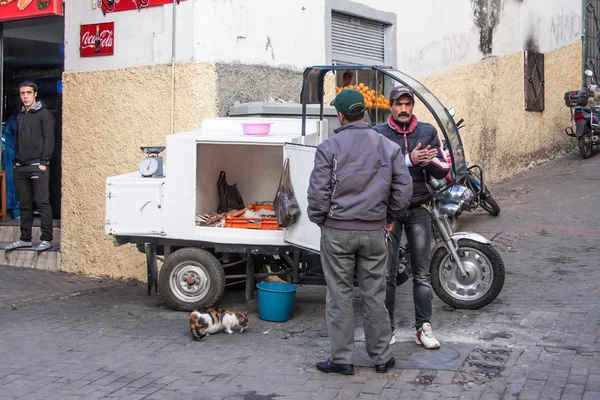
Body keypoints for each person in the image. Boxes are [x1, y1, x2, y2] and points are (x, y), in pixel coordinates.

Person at [307, 89, 413, 375]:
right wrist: (390, 215)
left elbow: (318, 194)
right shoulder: (387, 147)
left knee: (339, 295)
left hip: (337, 231)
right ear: (363, 113)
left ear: (341, 116)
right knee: (374, 294)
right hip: (374, 231)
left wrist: (321, 220)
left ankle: (341, 360)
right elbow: (404, 189)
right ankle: (381, 357)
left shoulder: (329, 148)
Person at [374, 86, 451, 349]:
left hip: (419, 208)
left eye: (408, 104)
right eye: (399, 104)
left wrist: (428, 161)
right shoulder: (379, 134)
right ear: (390, 106)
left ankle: (423, 327)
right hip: (390, 212)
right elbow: (377, 170)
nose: (403, 109)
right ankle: (388, 329)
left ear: (413, 105)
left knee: (421, 272)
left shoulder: (428, 131)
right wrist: (409, 159)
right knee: (388, 273)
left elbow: (445, 169)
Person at [5, 81, 55, 252]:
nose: (25, 96)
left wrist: (44, 162)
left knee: (42, 203)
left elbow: (49, 140)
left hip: (38, 166)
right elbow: (17, 141)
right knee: (24, 204)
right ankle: (25, 238)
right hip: (21, 167)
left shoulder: (44, 114)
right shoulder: (19, 117)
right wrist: (16, 164)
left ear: (35, 94)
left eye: (28, 92)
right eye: (22, 93)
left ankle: (46, 239)